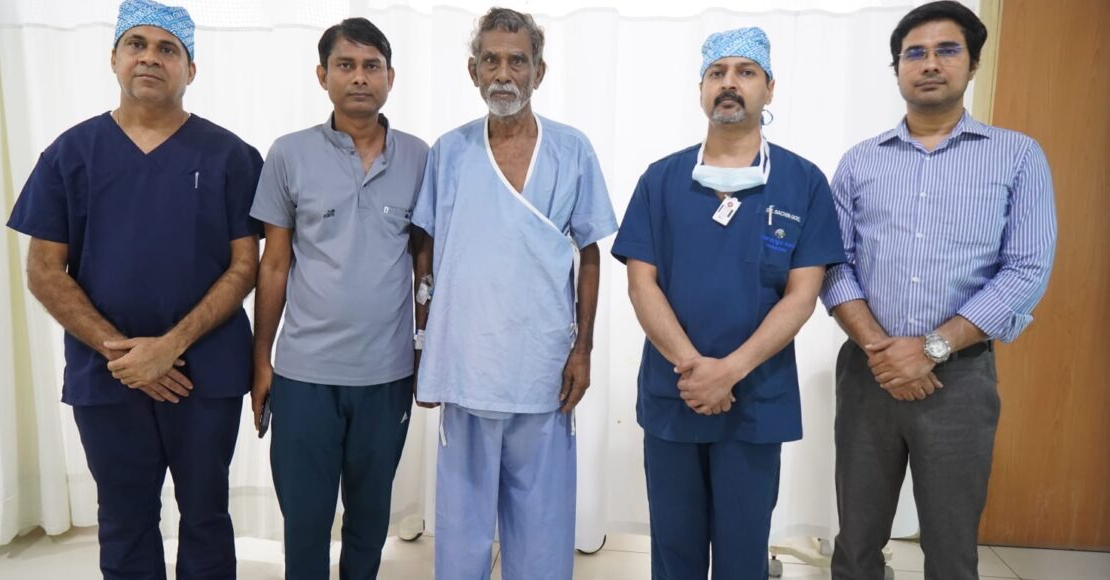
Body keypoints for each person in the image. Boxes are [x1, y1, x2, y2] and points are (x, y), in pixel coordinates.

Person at [5, 1, 262, 578]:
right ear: (114, 58)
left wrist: (169, 347)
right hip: (108, 377)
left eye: (168, 48)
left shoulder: (229, 156)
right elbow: (44, 270)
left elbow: (245, 265)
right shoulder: (70, 154)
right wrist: (124, 353)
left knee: (206, 516)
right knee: (123, 519)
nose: (151, 57)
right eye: (137, 45)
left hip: (206, 374)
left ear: (190, 70)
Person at [821, 2, 1057, 578]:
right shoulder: (859, 163)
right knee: (856, 541)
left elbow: (1026, 269)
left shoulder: (1018, 156)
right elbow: (833, 264)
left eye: (947, 50)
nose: (930, 64)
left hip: (960, 379)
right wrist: (884, 351)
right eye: (915, 53)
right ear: (898, 68)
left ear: (972, 64)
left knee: (951, 546)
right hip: (868, 375)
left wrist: (930, 350)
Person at [611, 27, 845, 579]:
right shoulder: (661, 180)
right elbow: (642, 283)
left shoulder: (801, 182)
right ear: (701, 91)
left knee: (744, 552)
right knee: (674, 550)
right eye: (718, 73)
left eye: (745, 72)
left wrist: (731, 372)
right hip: (676, 393)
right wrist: (695, 369)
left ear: (769, 88)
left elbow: (803, 293)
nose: (730, 84)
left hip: (755, 400)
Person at [410, 7, 618, 579]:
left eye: (517, 61)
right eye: (491, 61)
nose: (504, 73)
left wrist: (584, 350)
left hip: (543, 363)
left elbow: (591, 253)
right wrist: (423, 345)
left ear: (539, 72)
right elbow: (425, 252)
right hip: (466, 359)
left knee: (542, 523)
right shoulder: (449, 152)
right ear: (472, 70)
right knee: (461, 525)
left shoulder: (572, 150)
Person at [248, 17, 429, 580]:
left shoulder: (422, 157)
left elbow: (425, 262)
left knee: (370, 519)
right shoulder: (288, 154)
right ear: (322, 75)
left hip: (386, 373)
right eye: (345, 66)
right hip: (304, 375)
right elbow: (273, 264)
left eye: (371, 66)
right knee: (305, 520)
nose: (359, 78)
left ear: (391, 77)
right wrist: (262, 363)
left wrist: (426, 353)